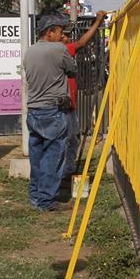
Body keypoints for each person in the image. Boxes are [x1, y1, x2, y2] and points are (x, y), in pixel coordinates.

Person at [23, 13, 77, 211]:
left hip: (34, 110)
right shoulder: (58, 50)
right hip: (52, 110)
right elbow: (72, 69)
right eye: (60, 32)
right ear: (50, 32)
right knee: (53, 156)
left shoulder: (29, 51)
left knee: (37, 156)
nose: (62, 36)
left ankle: (36, 195)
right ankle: (47, 201)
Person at [60, 10, 107, 180]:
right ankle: (64, 172)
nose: (67, 38)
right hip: (64, 108)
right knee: (67, 140)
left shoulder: (60, 49)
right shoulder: (63, 50)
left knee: (72, 139)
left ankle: (67, 170)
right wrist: (98, 21)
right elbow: (82, 42)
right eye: (64, 35)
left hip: (70, 106)